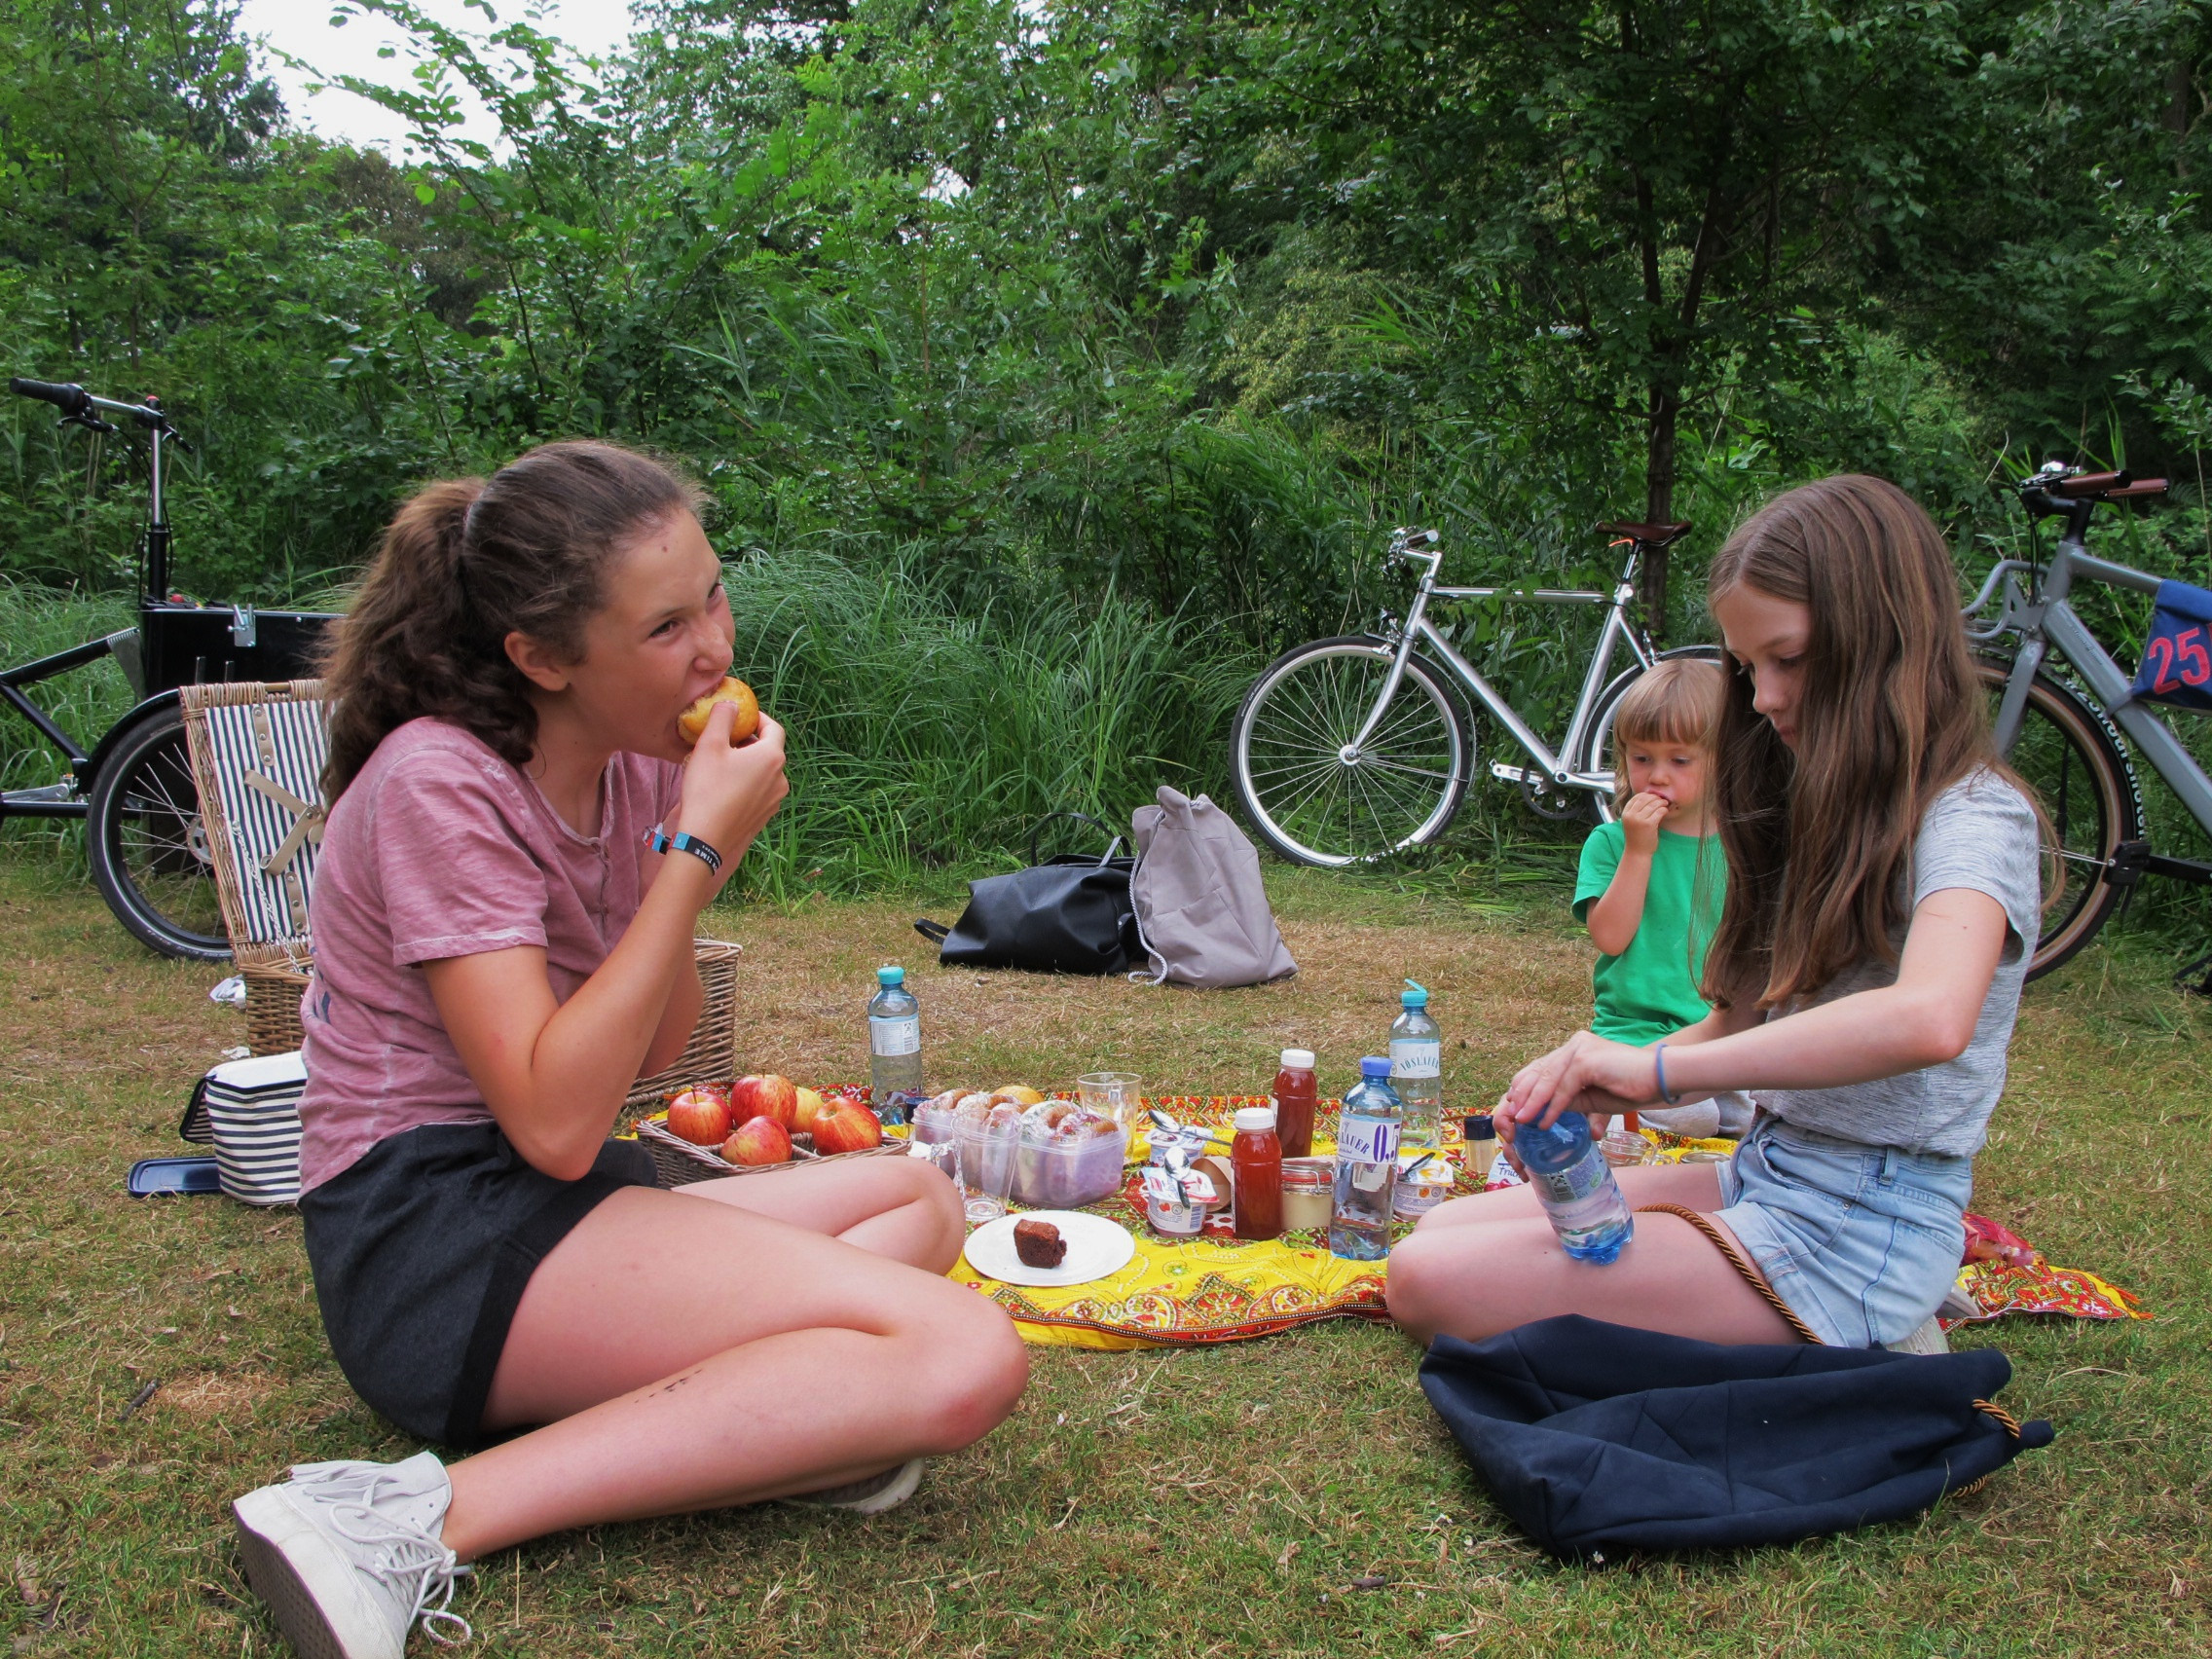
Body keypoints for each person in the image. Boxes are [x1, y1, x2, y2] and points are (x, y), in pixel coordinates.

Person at [229, 441, 1028, 1659]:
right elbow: (553, 1123)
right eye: (664, 627)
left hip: (548, 1199)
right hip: (432, 1237)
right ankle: (401, 1517)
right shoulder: (441, 783)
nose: (713, 646)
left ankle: (767, 1431)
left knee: (919, 1196)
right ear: (542, 658)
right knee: (962, 1353)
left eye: (711, 593)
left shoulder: (631, 772)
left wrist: (692, 852)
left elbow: (646, 1056)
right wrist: (697, 855)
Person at [1389, 474, 2046, 1354]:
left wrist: (1652, 1080)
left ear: (1885, 640)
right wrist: (1608, 1068)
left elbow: (1931, 1018)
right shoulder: (1814, 803)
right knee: (1435, 1239)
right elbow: (1732, 1024)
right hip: (1767, 1171)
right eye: (1746, 667)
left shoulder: (1973, 816)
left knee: (1424, 1283)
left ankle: (1877, 1322)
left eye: (1790, 658)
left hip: (1858, 1224)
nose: (1764, 697)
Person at [1573, 657, 1747, 1139]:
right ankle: (1605, 1110)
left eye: (1680, 760)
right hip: (1636, 1036)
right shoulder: (1610, 843)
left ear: (1724, 757)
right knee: (1696, 1117)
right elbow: (1609, 938)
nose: (1657, 776)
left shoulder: (1743, 846)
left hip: (1722, 1034)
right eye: (1642, 758)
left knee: (1756, 1114)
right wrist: (1639, 851)